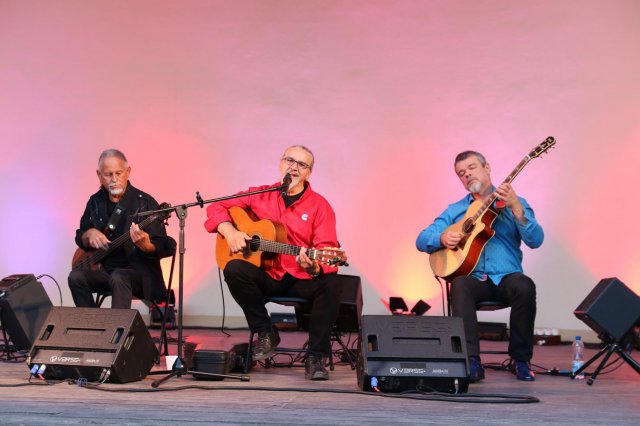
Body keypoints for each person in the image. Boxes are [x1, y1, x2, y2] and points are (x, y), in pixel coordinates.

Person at [205, 145, 344, 381]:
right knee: (234, 268)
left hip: (299, 276)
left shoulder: (320, 206)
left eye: (302, 164)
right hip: (267, 274)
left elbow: (326, 250)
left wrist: (315, 265)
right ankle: (265, 331)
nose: (294, 167)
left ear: (309, 173)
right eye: (290, 160)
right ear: (281, 164)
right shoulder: (260, 194)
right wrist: (229, 230)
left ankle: (315, 357)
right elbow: (216, 206)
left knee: (331, 283)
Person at [416, 150, 543, 382]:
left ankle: (521, 360)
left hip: (507, 277)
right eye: (461, 173)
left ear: (487, 168)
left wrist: (515, 207)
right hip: (475, 279)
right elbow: (421, 238)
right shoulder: (455, 210)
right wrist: (442, 239)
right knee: (460, 285)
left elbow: (536, 240)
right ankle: (471, 360)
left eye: (472, 168)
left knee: (525, 286)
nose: (467, 175)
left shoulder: (516, 202)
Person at [68, 149, 176, 309]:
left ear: (128, 172)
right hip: (105, 271)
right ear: (99, 175)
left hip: (139, 275)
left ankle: (119, 332)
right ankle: (92, 326)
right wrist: (89, 234)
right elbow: (80, 237)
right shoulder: (95, 202)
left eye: (118, 173)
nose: (114, 179)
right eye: (108, 174)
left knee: (119, 277)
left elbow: (165, 246)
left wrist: (148, 246)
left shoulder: (145, 202)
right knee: (75, 277)